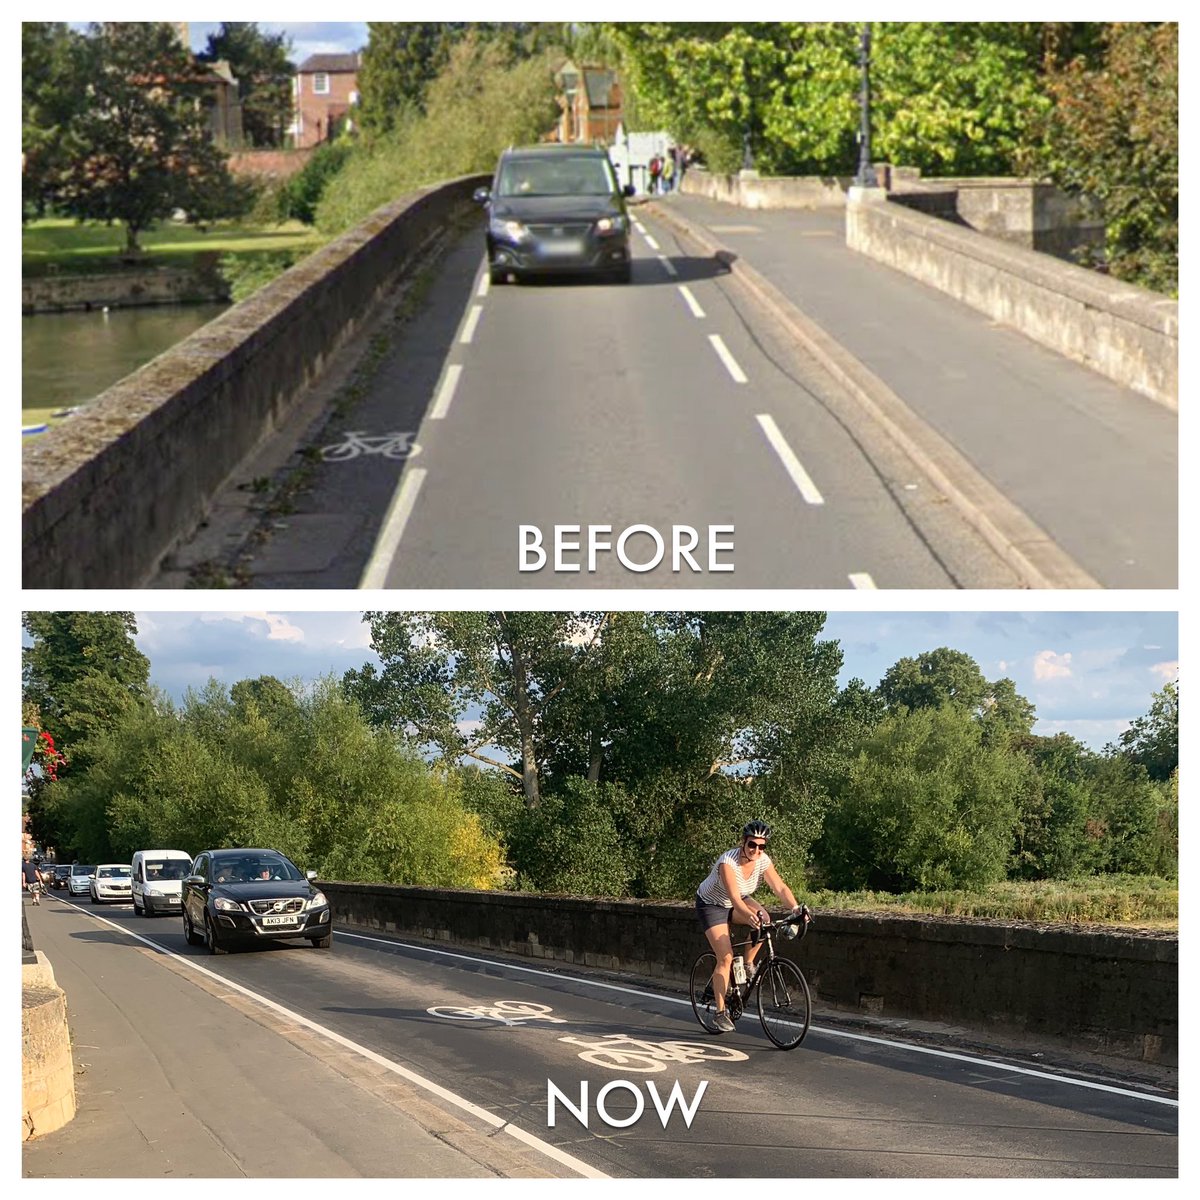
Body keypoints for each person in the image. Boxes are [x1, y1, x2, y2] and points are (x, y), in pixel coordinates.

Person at [694, 821, 809, 1032]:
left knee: (764, 919)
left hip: (738, 899)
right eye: (752, 845)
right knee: (726, 957)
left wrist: (795, 909)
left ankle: (748, 964)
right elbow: (735, 900)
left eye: (761, 846)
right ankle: (720, 1014)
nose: (756, 850)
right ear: (743, 843)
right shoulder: (728, 863)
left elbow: (780, 887)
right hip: (712, 904)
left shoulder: (762, 861)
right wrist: (749, 915)